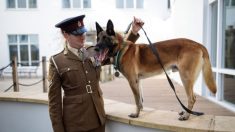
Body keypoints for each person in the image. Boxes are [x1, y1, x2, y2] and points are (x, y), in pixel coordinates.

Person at [48, 15, 144, 132]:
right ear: (65, 35)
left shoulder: (95, 51)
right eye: (77, 34)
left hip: (98, 120)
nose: (82, 37)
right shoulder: (57, 62)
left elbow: (119, 48)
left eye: (83, 32)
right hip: (75, 124)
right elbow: (54, 103)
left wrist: (133, 32)